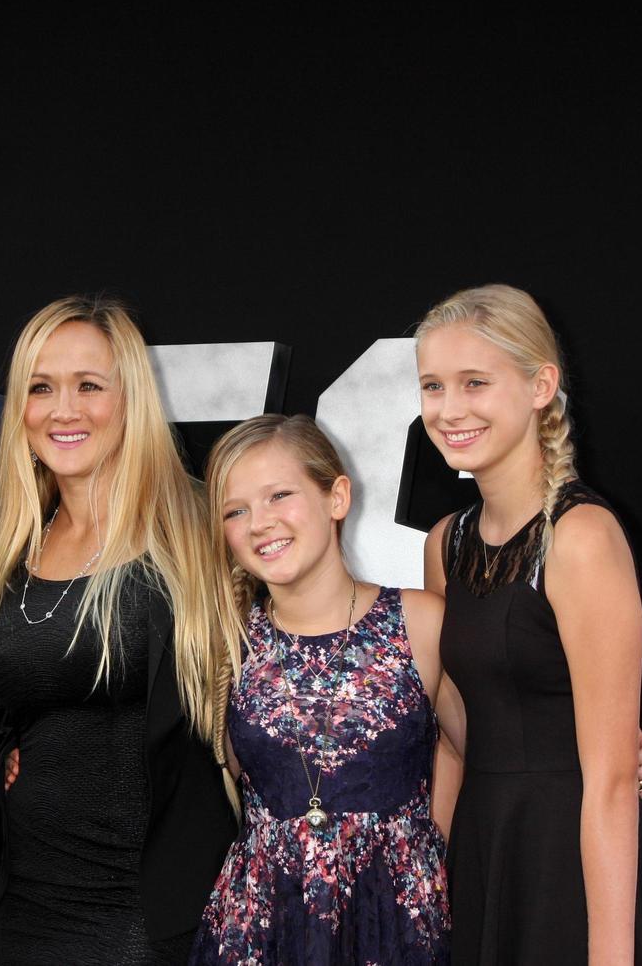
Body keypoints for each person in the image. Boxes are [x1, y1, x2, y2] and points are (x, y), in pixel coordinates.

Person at [0, 296, 236, 965]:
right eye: (41, 388)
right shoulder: (11, 550)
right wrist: (3, 756)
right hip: (31, 904)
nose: (63, 410)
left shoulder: (196, 532)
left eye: (88, 386)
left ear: (131, 398)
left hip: (153, 909)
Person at [417, 284, 642, 964]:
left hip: (573, 865)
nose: (450, 410)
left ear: (541, 386)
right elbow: (458, 737)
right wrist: (433, 897)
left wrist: (611, 956)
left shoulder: (582, 536)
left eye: (475, 382)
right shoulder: (445, 543)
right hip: (483, 855)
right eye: (433, 386)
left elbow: (614, 782)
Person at [191, 414, 459, 965]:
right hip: (264, 931)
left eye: (278, 496)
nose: (259, 522)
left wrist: (429, 862)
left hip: (401, 924)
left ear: (336, 496)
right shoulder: (226, 644)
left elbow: (484, 749)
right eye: (235, 510)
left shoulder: (421, 622)